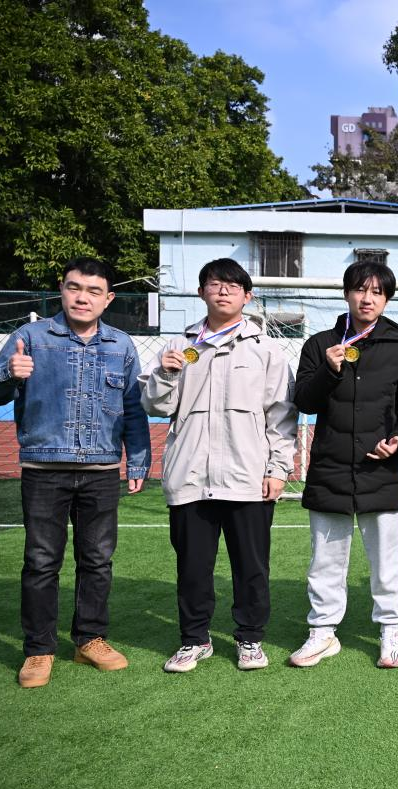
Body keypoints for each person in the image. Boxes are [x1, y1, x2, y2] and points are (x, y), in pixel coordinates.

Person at [0, 257, 151, 688]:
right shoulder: (30, 338)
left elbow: (133, 408)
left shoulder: (121, 345)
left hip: (101, 469)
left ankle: (89, 639)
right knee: (41, 562)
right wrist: (7, 373)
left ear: (108, 299)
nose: (82, 298)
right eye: (75, 287)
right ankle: (39, 649)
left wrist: (138, 459)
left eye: (94, 291)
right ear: (62, 289)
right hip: (43, 468)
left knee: (97, 560)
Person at [140, 258, 296, 673]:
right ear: (201, 292)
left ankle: (250, 638)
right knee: (192, 568)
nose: (223, 290)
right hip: (190, 476)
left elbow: (281, 416)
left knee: (251, 568)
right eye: (214, 283)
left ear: (248, 296)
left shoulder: (266, 350)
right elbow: (156, 407)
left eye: (232, 285)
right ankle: (195, 639)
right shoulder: (177, 346)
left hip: (248, 478)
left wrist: (278, 469)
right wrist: (165, 375)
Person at [289, 260, 398, 670]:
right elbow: (304, 401)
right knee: (325, 560)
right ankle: (323, 631)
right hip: (329, 468)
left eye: (377, 292)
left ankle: (390, 630)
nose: (368, 298)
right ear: (347, 293)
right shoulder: (320, 344)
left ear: (386, 299)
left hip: (379, 470)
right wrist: (328, 370)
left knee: (386, 561)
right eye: (361, 290)